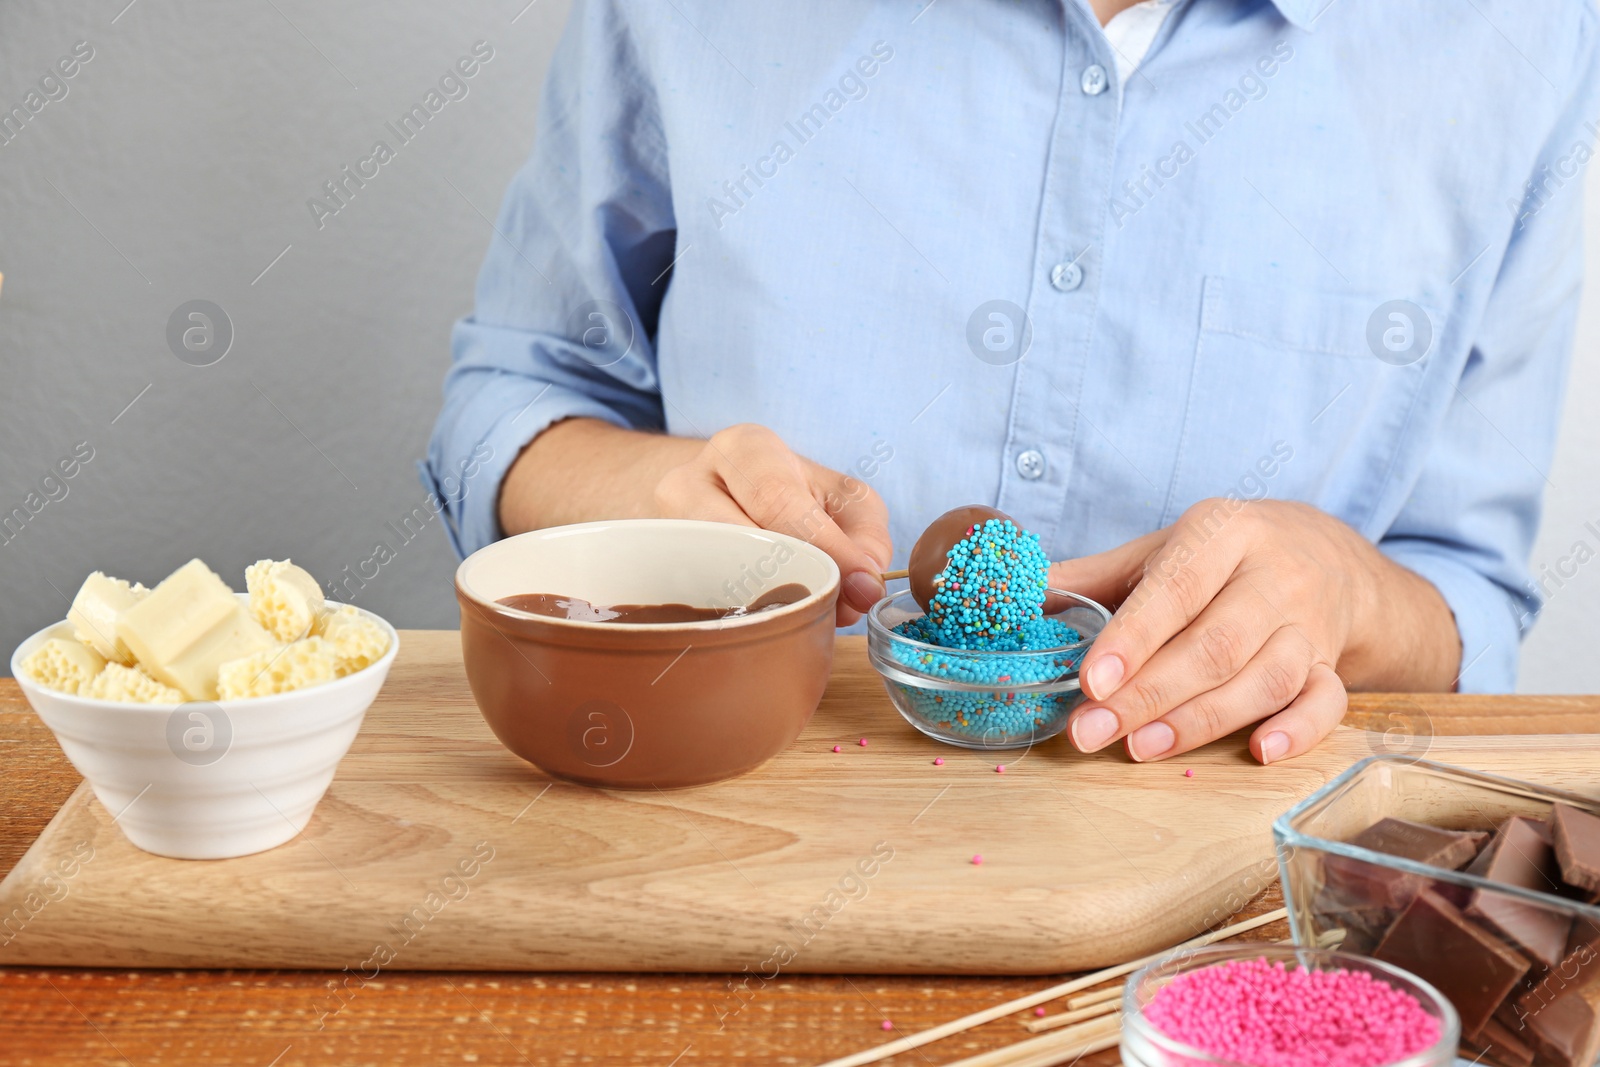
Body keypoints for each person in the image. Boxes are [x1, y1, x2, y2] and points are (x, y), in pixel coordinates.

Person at [425, 0, 1599, 765]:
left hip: (1228, 880)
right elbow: (509, 396)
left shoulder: (1522, 39)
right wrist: (650, 493)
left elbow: (1469, 594)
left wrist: (1348, 592)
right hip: (727, 818)